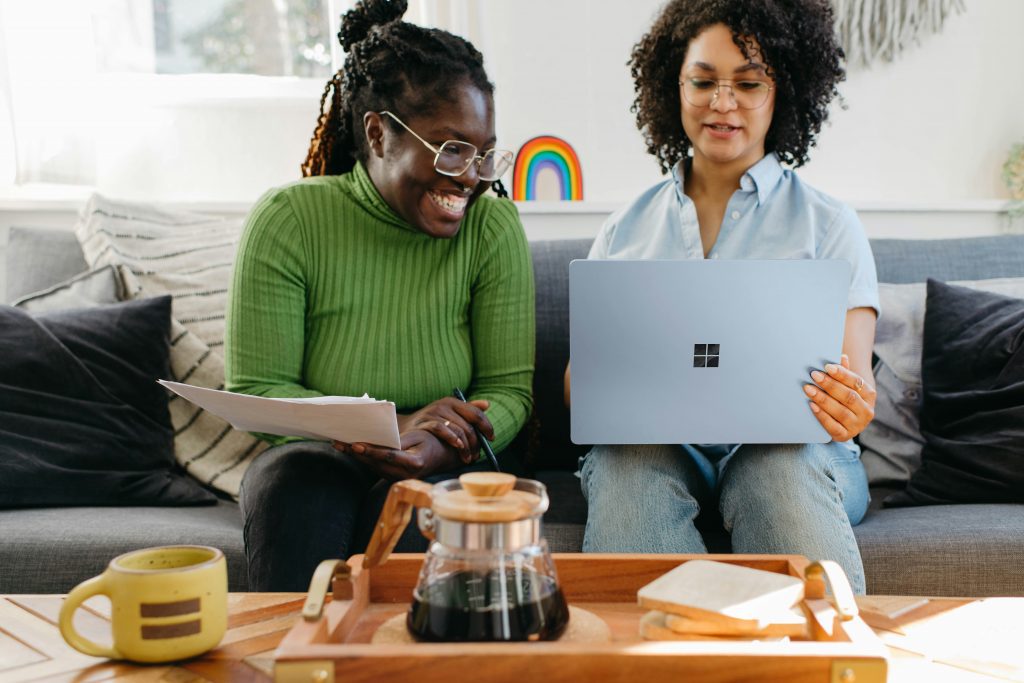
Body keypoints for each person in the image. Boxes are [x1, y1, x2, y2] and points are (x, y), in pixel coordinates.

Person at [566, 0, 879, 593]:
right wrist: (601, 385)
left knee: (776, 466)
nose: (722, 102)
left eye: (748, 83)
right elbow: (578, 387)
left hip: (794, 453)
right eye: (703, 81)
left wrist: (851, 405)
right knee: (623, 465)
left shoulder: (830, 224)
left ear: (780, 91)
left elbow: (854, 383)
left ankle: (822, 661)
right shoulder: (624, 228)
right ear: (673, 87)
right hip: (655, 451)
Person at [225, 0, 534, 591]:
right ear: (378, 134)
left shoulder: (492, 228)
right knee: (294, 486)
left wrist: (446, 443)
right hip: (316, 453)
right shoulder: (289, 219)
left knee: (424, 510)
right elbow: (257, 388)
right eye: (451, 149)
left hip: (449, 456)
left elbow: (509, 391)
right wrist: (389, 425)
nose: (472, 176)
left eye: (484, 151)